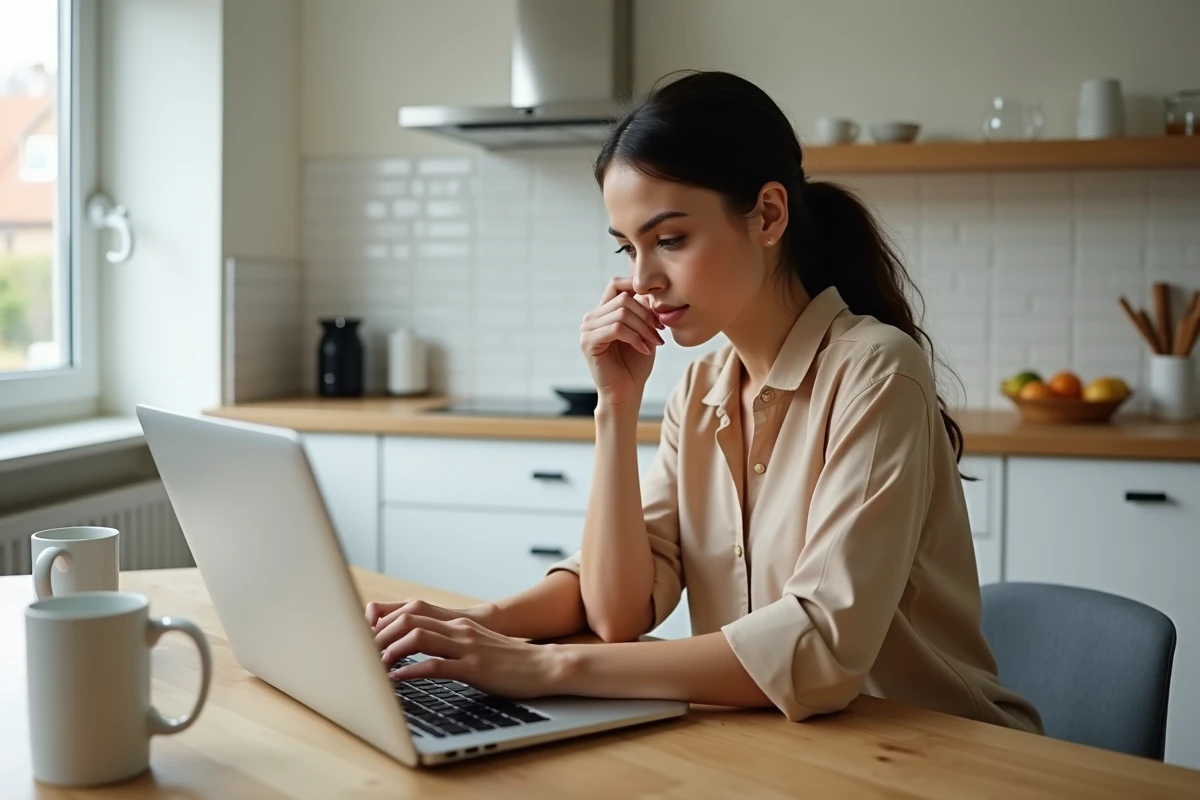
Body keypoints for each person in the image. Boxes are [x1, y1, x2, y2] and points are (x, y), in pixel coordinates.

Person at [367, 71, 1041, 734]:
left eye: (670, 239)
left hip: (934, 755)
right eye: (628, 248)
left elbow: (819, 646)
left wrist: (541, 668)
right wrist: (614, 410)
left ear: (768, 215)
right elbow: (617, 608)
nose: (641, 281)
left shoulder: (875, 372)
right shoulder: (702, 388)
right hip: (784, 752)